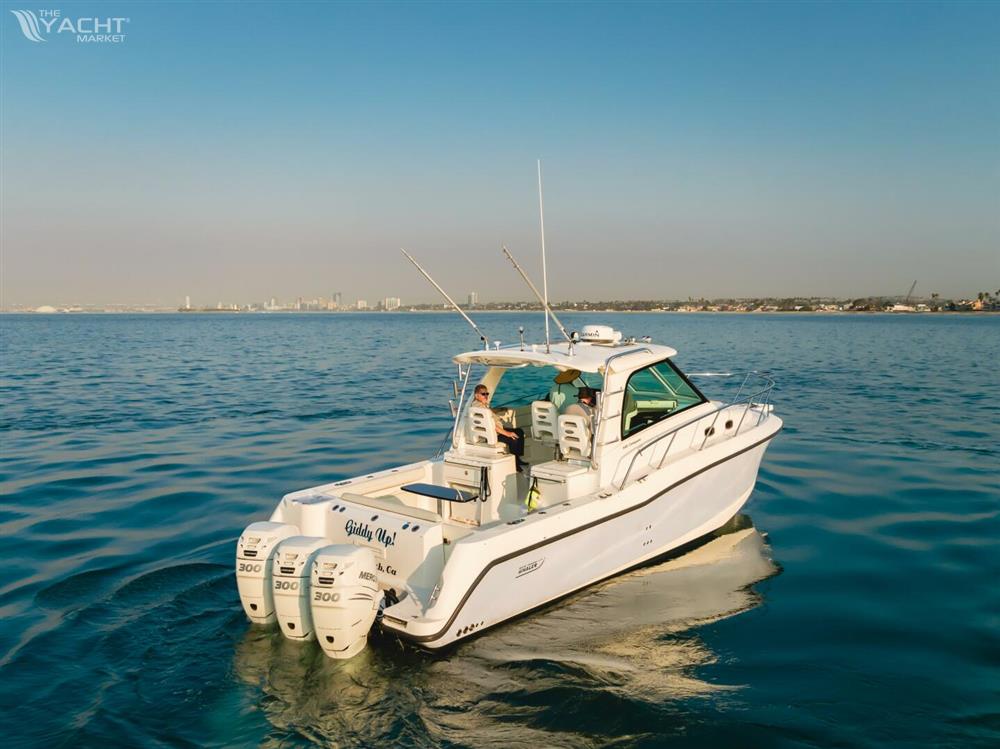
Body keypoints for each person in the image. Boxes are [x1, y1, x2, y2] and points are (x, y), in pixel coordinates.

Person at [472, 384, 527, 471]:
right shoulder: (482, 408)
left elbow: (489, 414)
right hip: (492, 434)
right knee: (514, 438)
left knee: (519, 431)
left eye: (487, 394)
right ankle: (515, 463)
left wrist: (498, 410)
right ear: (476, 395)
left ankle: (518, 459)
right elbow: (492, 426)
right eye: (483, 394)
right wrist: (507, 433)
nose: (486, 396)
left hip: (491, 432)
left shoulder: (478, 405)